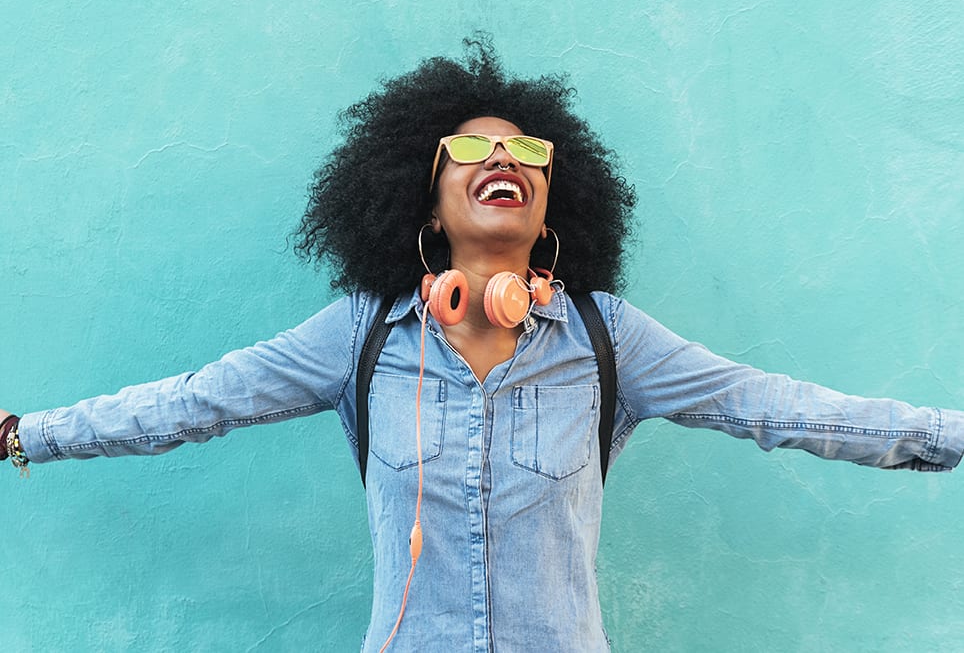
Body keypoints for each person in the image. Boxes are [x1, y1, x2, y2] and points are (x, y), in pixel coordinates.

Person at [3, 37, 962, 652]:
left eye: (528, 152)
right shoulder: (360, 338)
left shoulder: (605, 338)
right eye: (470, 148)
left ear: (556, 195)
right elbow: (192, 402)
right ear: (421, 195)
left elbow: (776, 405)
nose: (504, 156)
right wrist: (21, 434)